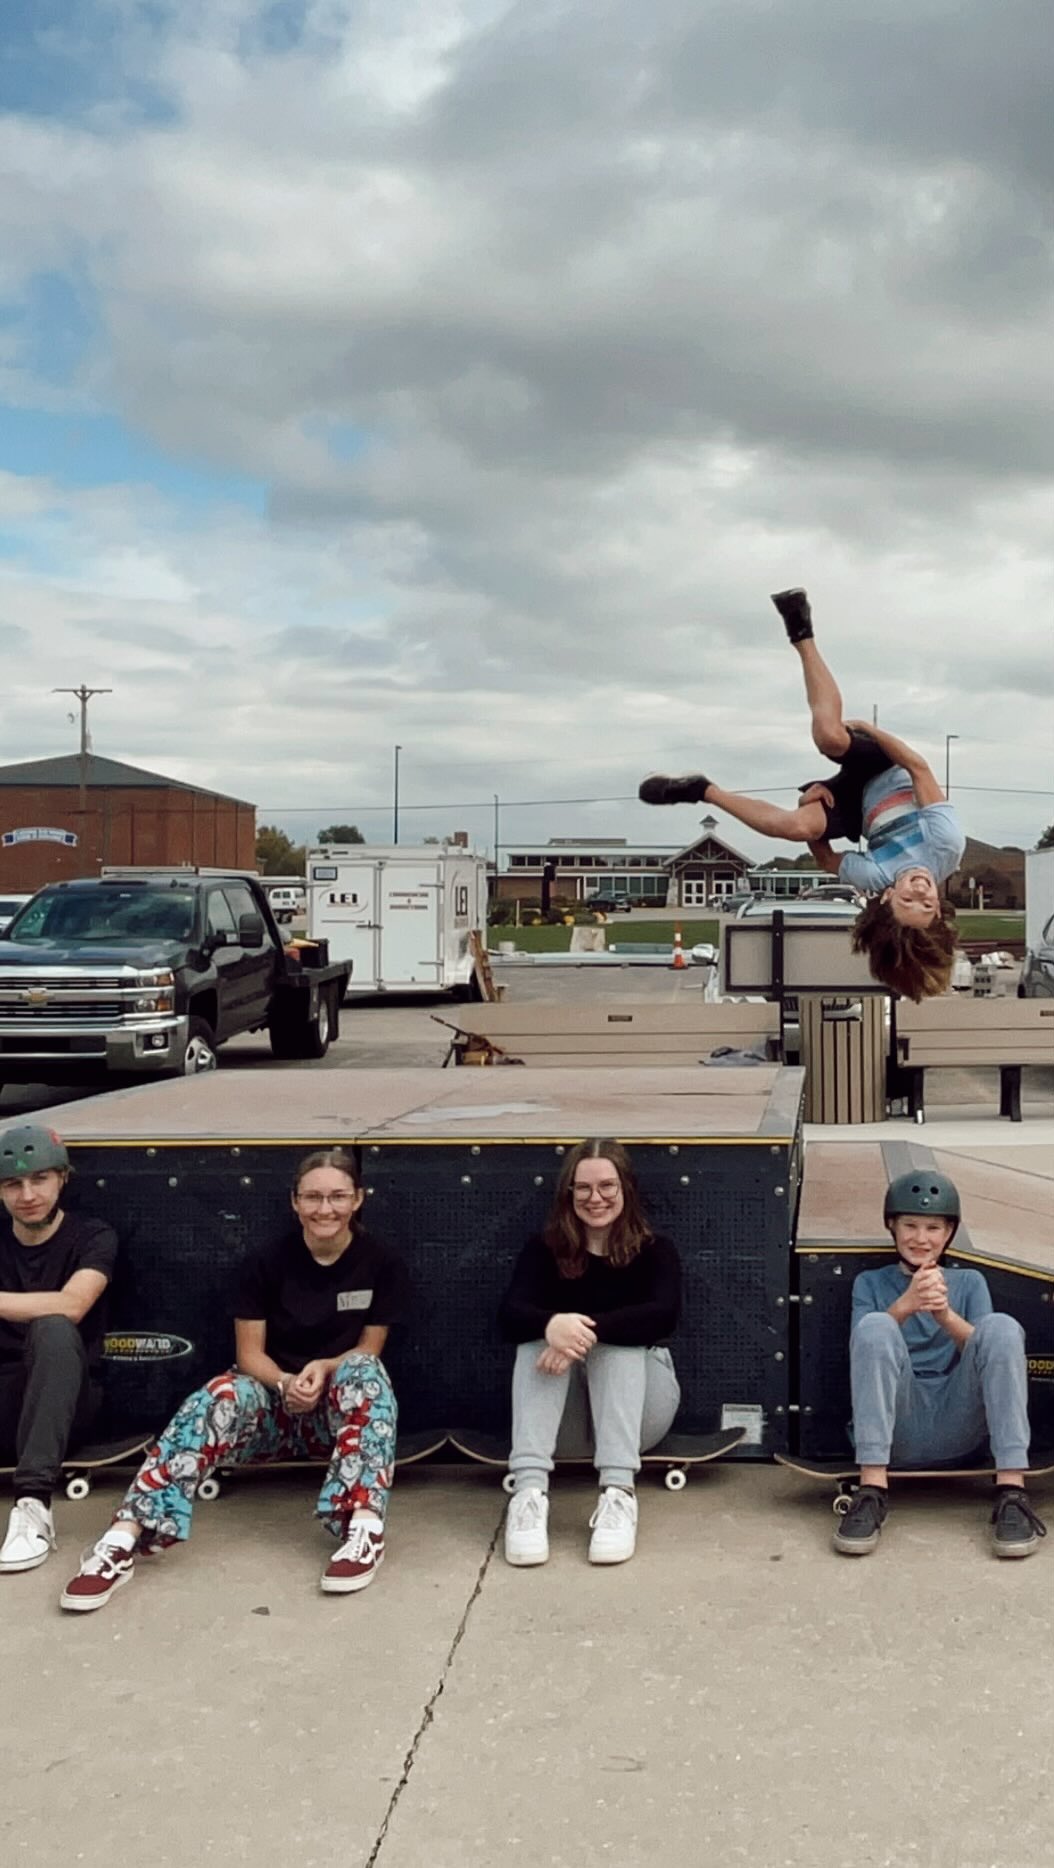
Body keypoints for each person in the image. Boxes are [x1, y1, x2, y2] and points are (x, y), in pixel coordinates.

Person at [60, 1147, 410, 1611]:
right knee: (219, 1394)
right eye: (313, 1197)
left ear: (358, 1199)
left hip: (340, 1423)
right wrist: (285, 1383)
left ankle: (363, 1529)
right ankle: (122, 1540)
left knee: (365, 1371)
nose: (325, 1209)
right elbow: (249, 1356)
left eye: (337, 1196)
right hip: (268, 1410)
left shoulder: (381, 1262)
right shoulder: (265, 1262)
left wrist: (324, 1369)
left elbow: (369, 1348)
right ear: (294, 1202)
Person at [639, 588, 964, 1000]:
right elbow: (918, 766)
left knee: (795, 826)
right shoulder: (944, 844)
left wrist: (812, 809)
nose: (921, 892)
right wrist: (871, 730)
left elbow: (827, 858)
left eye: (910, 902)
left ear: (885, 900)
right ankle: (801, 629)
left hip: (856, 802)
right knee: (830, 735)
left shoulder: (875, 876)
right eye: (929, 904)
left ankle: (703, 789)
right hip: (888, 766)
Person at [834, 1170, 1046, 1559]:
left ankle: (1012, 1490)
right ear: (892, 1227)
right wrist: (906, 1304)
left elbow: (987, 1353)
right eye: (910, 1225)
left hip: (960, 1425)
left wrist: (944, 1314)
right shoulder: (869, 1283)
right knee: (876, 1325)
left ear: (948, 1233)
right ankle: (871, 1489)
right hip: (896, 1426)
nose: (921, 1238)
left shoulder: (969, 1282)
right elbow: (862, 1350)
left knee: (1000, 1328)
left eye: (933, 1227)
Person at [498, 1139, 682, 1568]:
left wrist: (581, 1334)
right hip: (563, 1423)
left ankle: (619, 1494)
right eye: (583, 1188)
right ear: (568, 1193)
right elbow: (509, 1315)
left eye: (606, 1186)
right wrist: (550, 1327)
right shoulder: (543, 1249)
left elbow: (664, 1315)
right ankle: (528, 1495)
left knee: (614, 1344)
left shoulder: (655, 1250)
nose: (595, 1198)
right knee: (537, 1338)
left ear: (626, 1189)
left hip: (638, 1416)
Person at [0, 1124, 118, 1575]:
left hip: (66, 1405)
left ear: (63, 1179)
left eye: (40, 1179)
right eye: (13, 1183)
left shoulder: (93, 1236)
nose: (27, 1194)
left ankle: (32, 1507)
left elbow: (72, 1305)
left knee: (51, 1328)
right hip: (6, 1404)